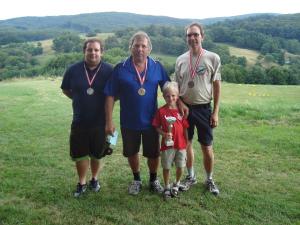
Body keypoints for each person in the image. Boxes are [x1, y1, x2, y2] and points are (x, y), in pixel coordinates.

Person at [104, 31, 170, 195]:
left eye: (143, 46)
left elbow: (169, 90)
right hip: (129, 121)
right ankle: (137, 179)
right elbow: (110, 94)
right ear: (130, 47)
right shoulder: (120, 68)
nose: (140, 49)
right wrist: (109, 121)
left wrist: (178, 106)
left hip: (152, 122)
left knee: (153, 153)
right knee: (131, 152)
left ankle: (154, 180)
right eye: (136, 45)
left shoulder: (157, 66)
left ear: (149, 49)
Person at [61, 38, 113, 197]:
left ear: (101, 52)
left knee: (98, 154)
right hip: (80, 120)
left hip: (101, 122)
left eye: (96, 50)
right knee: (80, 153)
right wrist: (78, 99)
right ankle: (82, 182)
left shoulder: (109, 71)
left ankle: (94, 179)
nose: (93, 53)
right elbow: (66, 89)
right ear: (84, 51)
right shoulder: (73, 70)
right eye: (89, 50)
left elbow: (113, 95)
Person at [175, 22, 221, 195]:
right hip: (184, 109)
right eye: (189, 35)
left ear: (202, 36)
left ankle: (209, 179)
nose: (192, 38)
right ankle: (191, 176)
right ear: (186, 38)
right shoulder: (180, 60)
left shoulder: (213, 58)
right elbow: (176, 87)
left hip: (203, 109)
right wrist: (180, 103)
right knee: (186, 145)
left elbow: (217, 86)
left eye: (195, 34)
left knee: (207, 147)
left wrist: (215, 111)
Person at [152, 81, 189, 199]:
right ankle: (167, 186)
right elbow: (156, 127)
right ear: (163, 96)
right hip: (167, 145)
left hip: (181, 144)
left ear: (177, 97)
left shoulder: (181, 111)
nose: (170, 98)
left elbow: (185, 128)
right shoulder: (161, 111)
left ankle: (176, 184)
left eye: (173, 95)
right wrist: (164, 134)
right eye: (167, 96)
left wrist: (187, 144)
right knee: (166, 166)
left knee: (181, 166)